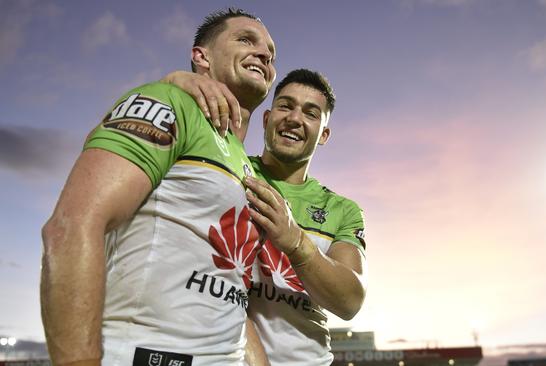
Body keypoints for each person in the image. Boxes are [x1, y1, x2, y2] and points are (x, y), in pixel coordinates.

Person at [40, 8, 276, 366]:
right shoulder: (169, 101)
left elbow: (231, 292)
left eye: (271, 53)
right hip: (144, 354)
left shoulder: (243, 160)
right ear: (202, 56)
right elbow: (70, 226)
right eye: (246, 39)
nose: (263, 54)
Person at [243, 69, 367, 365]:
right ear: (266, 119)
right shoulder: (231, 171)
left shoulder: (342, 209)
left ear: (323, 135)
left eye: (311, 113)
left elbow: (349, 301)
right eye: (285, 106)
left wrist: (297, 242)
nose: (295, 118)